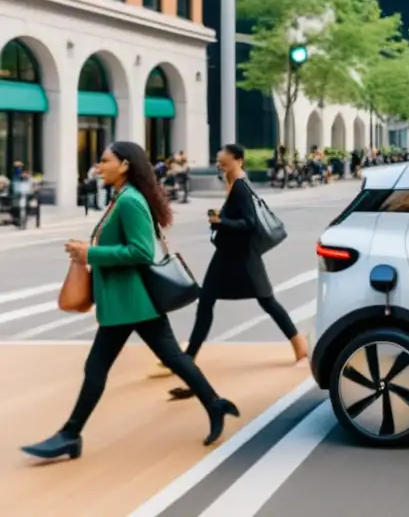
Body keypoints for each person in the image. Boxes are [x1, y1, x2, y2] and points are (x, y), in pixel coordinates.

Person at [21, 142, 238, 461]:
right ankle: (215, 404)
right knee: (173, 358)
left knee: (97, 366)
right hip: (131, 301)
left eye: (105, 160)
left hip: (129, 301)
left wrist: (90, 253)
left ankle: (70, 434)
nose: (99, 165)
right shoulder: (122, 197)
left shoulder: (129, 201)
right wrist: (88, 248)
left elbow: (140, 252)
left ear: (124, 165)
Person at [167, 145, 306, 399]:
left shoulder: (241, 186)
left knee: (266, 301)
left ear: (238, 161)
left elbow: (249, 224)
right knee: (207, 302)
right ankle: (188, 359)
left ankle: (300, 346)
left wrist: (222, 222)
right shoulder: (235, 183)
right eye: (218, 162)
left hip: (242, 257)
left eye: (224, 162)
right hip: (228, 256)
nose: (220, 166)